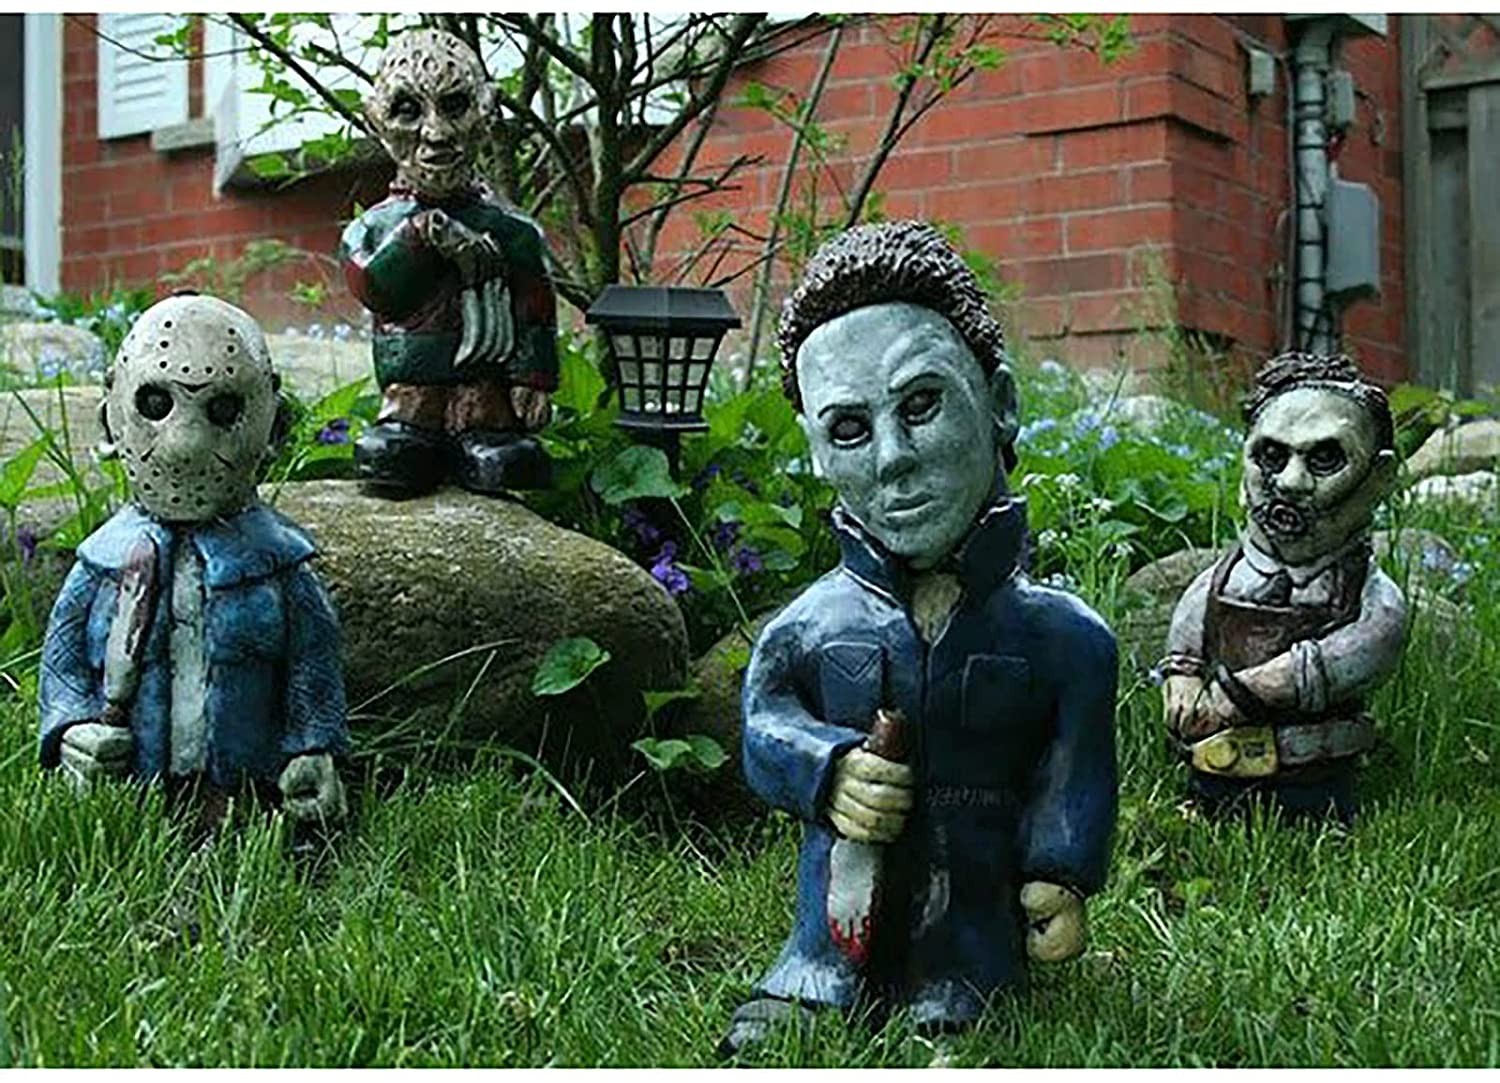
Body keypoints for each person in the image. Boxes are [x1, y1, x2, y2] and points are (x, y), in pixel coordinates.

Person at [723, 221, 1118, 1054]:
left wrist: (1059, 869)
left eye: (921, 405)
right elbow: (764, 725)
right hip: (831, 924)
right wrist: (826, 769)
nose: (894, 459)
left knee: (961, 998)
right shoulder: (805, 629)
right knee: (817, 974)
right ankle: (816, 979)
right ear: (815, 451)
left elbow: (1074, 765)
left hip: (975, 927)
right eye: (848, 428)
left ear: (1000, 401)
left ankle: (957, 988)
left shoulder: (1065, 639)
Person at [39, 294, 349, 828]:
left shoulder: (281, 569)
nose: (185, 445)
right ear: (110, 421)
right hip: (136, 793)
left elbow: (312, 666)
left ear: (274, 427)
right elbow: (62, 666)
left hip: (244, 790)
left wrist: (314, 748)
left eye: (223, 411)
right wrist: (71, 729)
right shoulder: (100, 566)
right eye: (155, 404)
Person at [1159, 351, 1408, 822]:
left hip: (1316, 768)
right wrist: (1183, 674)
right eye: (1272, 456)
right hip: (1221, 758)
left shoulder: (1372, 598)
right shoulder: (1221, 578)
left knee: (1316, 813)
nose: (1291, 482)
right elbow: (1190, 630)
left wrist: (1249, 690)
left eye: (1326, 459)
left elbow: (1368, 648)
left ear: (1379, 478)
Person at [340, 28, 558, 496]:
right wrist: (421, 236)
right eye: (408, 111)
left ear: (486, 110)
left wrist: (533, 377)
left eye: (455, 106)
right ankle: (412, 436)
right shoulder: (373, 230)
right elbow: (374, 286)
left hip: (486, 386)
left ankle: (482, 434)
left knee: (500, 450)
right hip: (411, 385)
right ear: (375, 119)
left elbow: (535, 306)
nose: (436, 134)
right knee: (397, 449)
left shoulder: (511, 230)